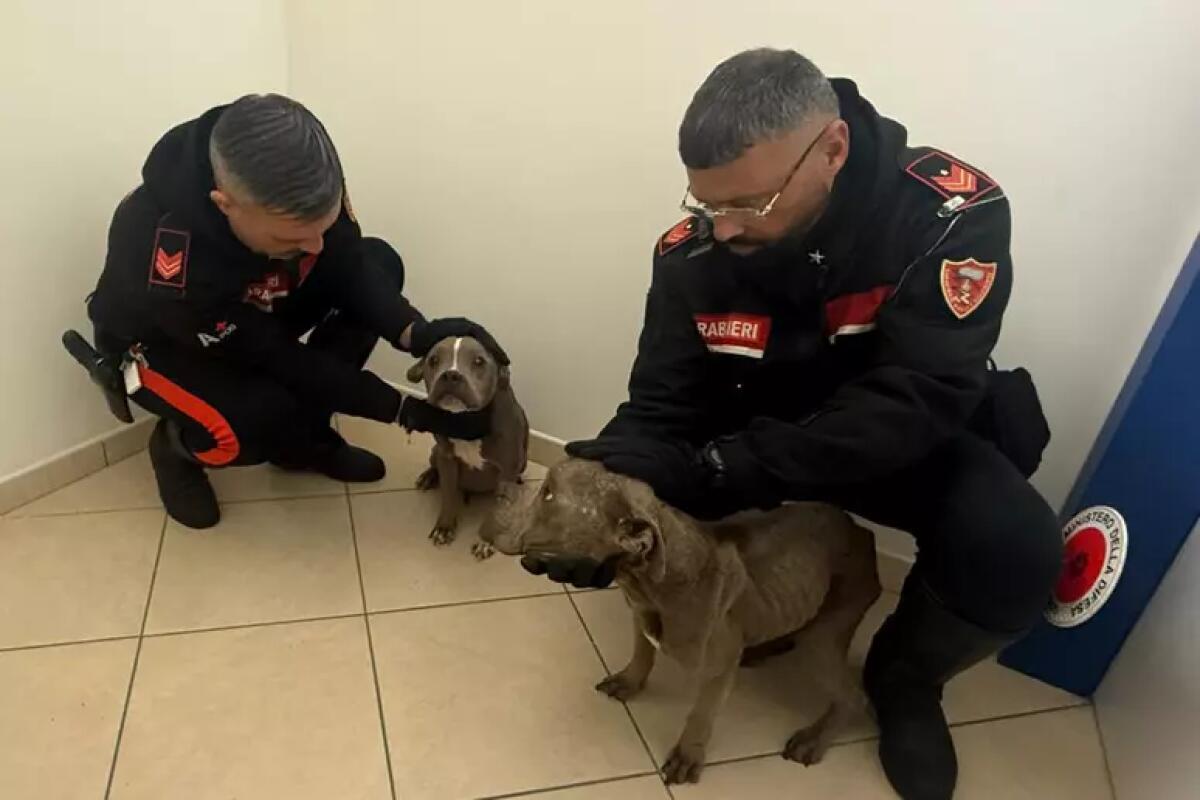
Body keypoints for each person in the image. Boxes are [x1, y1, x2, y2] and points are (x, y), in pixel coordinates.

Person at [522, 50, 1062, 799]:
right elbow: (662, 400)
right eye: (706, 204)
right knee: (645, 474)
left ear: (832, 150)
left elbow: (915, 399)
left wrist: (722, 470)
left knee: (1015, 548)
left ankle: (904, 681)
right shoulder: (694, 251)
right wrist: (606, 497)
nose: (724, 228)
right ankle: (747, 613)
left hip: (894, 442)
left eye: (751, 202)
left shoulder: (947, 218)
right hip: (752, 427)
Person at [87, 94, 504, 530]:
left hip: (249, 309)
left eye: (321, 227)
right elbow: (280, 358)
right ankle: (176, 448)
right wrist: (402, 409)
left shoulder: (303, 172)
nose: (315, 246)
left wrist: (414, 331)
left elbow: (345, 262)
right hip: (162, 343)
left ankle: (304, 443)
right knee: (259, 418)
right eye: (292, 239)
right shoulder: (166, 249)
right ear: (225, 204)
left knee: (379, 261)